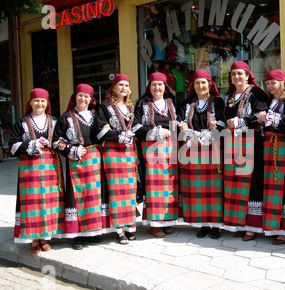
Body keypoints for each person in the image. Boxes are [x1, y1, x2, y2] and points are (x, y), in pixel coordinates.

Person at [9, 88, 64, 254]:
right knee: (32, 201)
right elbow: (12, 147)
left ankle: (46, 236)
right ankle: (34, 238)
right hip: (30, 167)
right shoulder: (22, 122)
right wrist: (31, 145)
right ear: (30, 103)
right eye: (36, 101)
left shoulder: (54, 121)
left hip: (50, 166)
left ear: (47, 103)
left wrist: (59, 143)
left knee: (49, 201)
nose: (39, 104)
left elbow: (60, 139)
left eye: (43, 101)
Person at [53, 84, 106, 250]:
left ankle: (93, 231)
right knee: (77, 197)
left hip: (95, 159)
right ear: (75, 96)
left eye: (86, 96)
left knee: (94, 196)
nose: (83, 99)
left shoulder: (96, 116)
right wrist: (72, 149)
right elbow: (56, 141)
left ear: (91, 99)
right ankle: (77, 235)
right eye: (80, 95)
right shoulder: (65, 117)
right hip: (76, 161)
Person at [222, 61, 268, 241]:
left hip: (252, 143)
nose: (237, 77)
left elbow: (262, 117)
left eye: (240, 74)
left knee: (252, 183)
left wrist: (241, 123)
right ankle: (238, 223)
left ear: (248, 75)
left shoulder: (256, 93)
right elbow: (225, 116)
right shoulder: (230, 95)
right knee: (235, 183)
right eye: (233, 74)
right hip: (233, 145)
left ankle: (252, 226)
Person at [177, 70, 225, 239]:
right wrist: (185, 129)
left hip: (213, 150)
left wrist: (214, 126)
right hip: (192, 150)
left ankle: (216, 225)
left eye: (204, 83)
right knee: (197, 188)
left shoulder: (218, 102)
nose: (200, 86)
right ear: (193, 86)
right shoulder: (186, 103)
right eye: (197, 83)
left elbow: (223, 124)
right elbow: (179, 123)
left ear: (210, 84)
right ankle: (203, 224)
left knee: (213, 189)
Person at [133, 72, 180, 238]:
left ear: (165, 86)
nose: (157, 88)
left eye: (160, 84)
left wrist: (182, 125)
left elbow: (179, 121)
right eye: (153, 84)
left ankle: (167, 221)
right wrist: (157, 131)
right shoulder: (142, 104)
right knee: (155, 186)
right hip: (151, 147)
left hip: (171, 148)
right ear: (149, 86)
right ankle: (155, 223)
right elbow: (135, 127)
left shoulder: (172, 103)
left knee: (170, 185)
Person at [94, 74, 138, 245]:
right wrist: (118, 134)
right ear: (113, 88)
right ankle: (119, 229)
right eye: (120, 85)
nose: (124, 88)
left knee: (130, 189)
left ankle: (131, 225)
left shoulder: (130, 107)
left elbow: (136, 126)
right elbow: (100, 132)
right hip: (113, 152)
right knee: (117, 190)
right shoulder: (105, 107)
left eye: (126, 85)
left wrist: (113, 130)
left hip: (129, 151)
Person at [259, 69, 285, 244]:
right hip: (268, 148)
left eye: (273, 83)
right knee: (269, 187)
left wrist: (274, 118)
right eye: (267, 83)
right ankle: (271, 226)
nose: (270, 86)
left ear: (282, 83)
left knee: (284, 187)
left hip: (282, 147)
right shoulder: (270, 101)